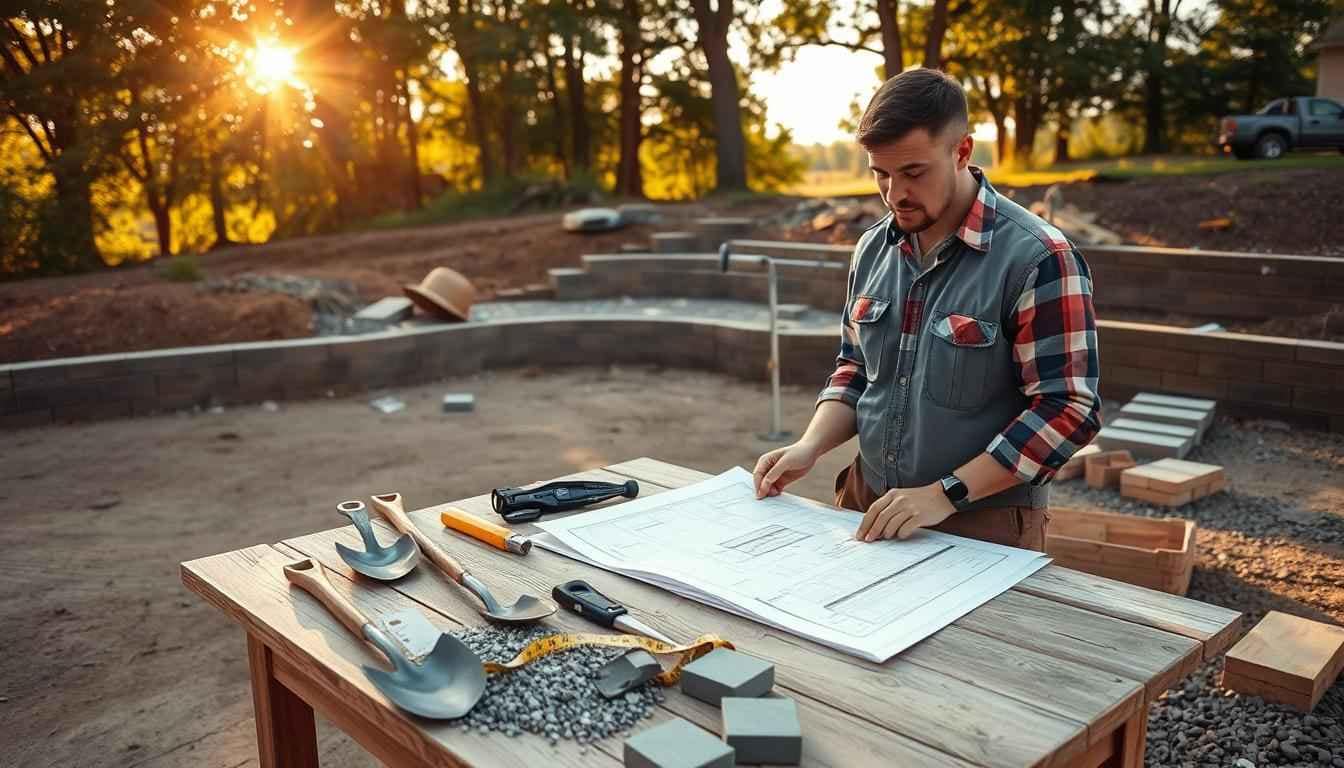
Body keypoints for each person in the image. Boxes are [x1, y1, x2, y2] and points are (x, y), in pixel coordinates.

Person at [752, 68, 1101, 551]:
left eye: (913, 172)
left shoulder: (1040, 258)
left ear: (962, 151)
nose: (895, 194)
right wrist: (809, 446)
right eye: (881, 174)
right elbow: (855, 370)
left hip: (983, 525)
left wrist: (945, 494)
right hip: (866, 503)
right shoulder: (871, 249)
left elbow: (1069, 410)